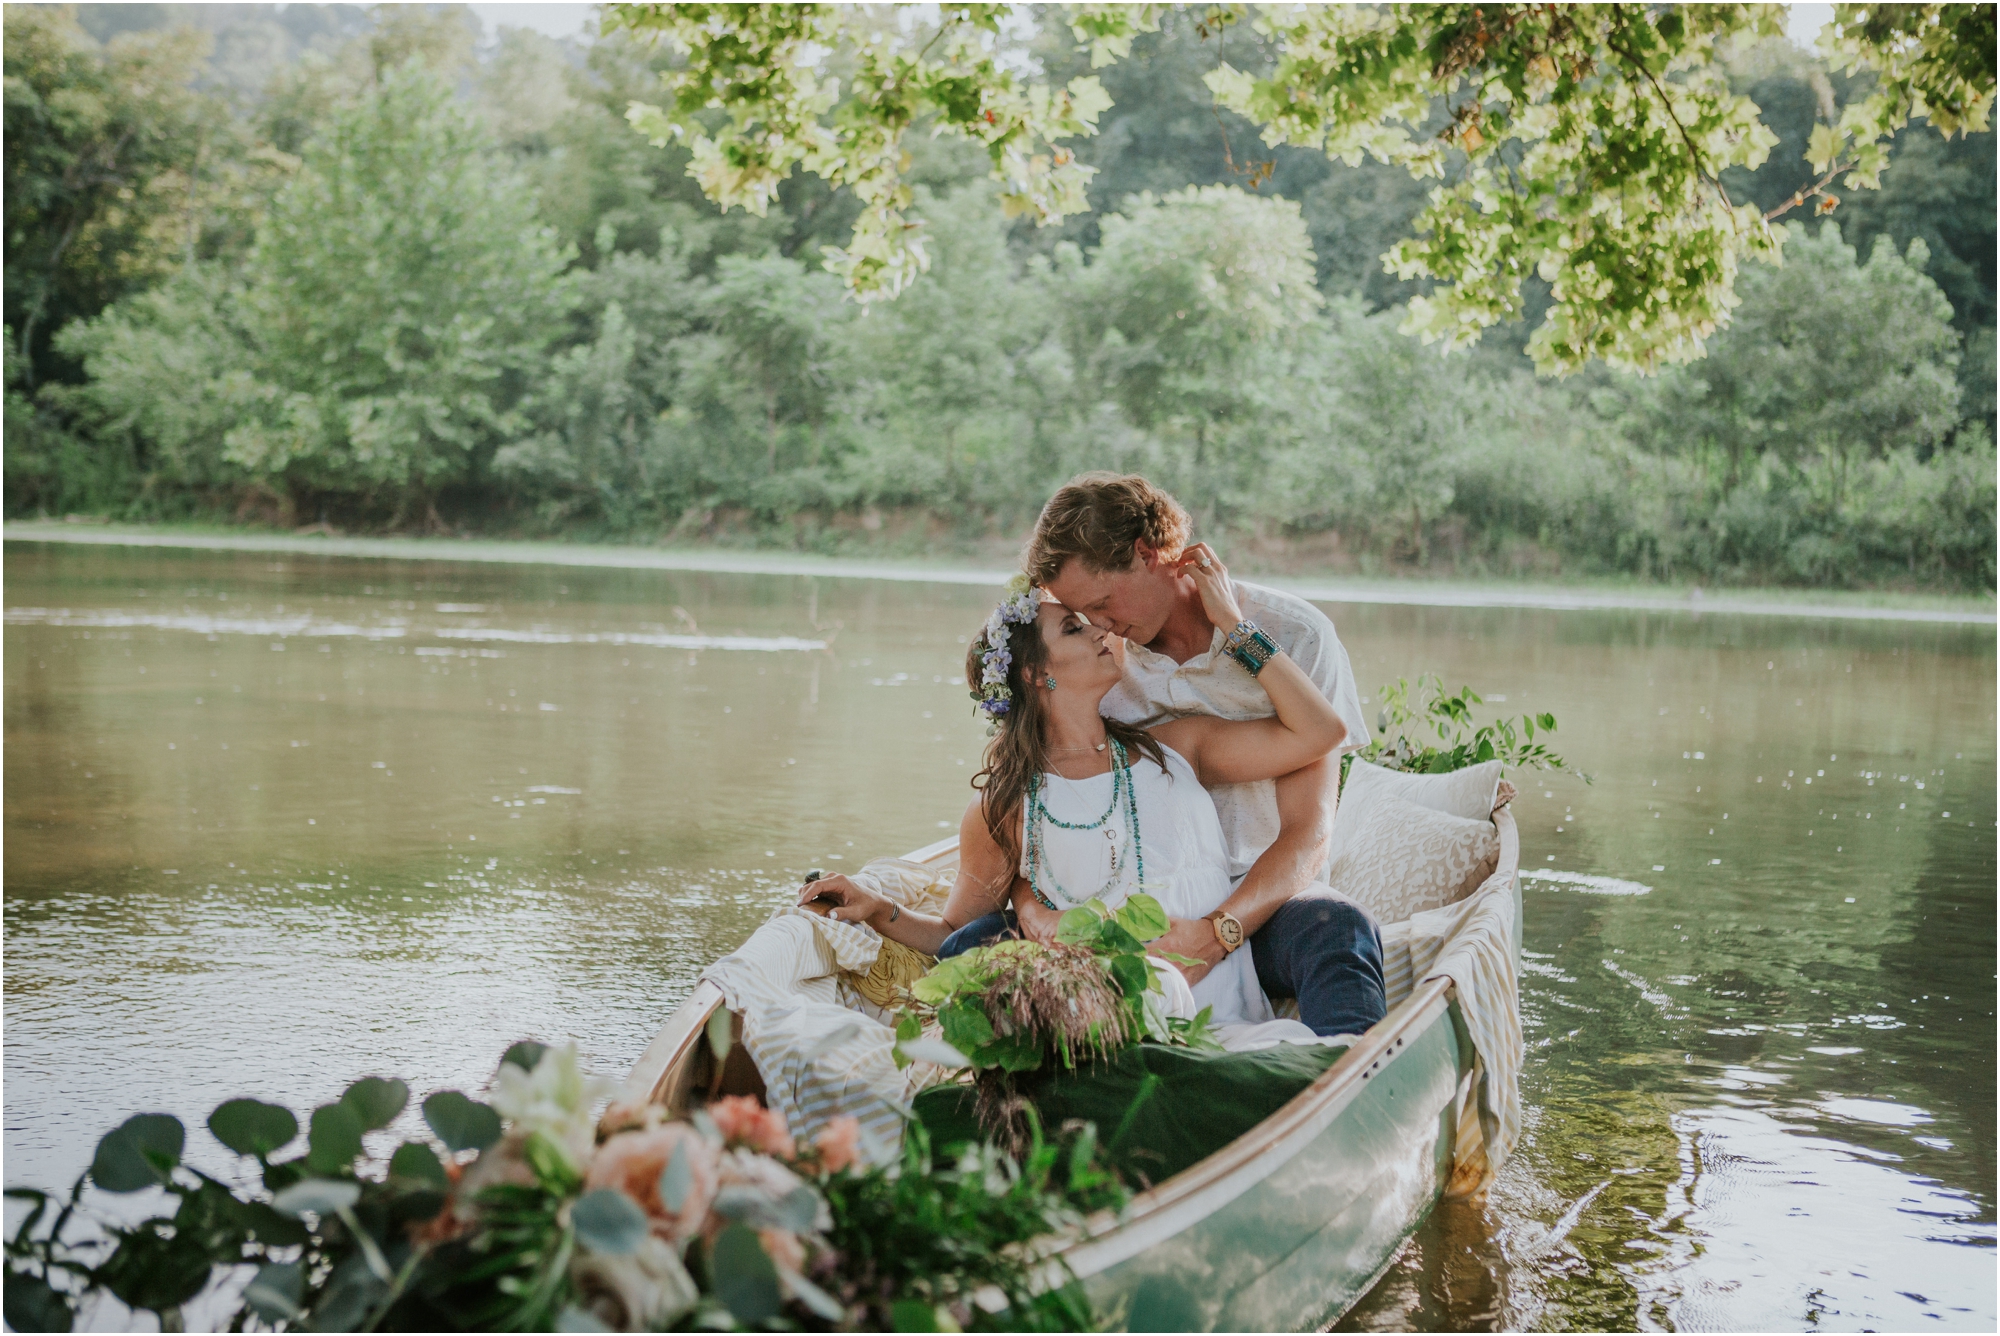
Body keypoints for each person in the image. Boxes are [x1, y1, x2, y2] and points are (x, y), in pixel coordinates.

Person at [799, 548, 1346, 1032]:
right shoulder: (1006, 804)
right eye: (1074, 629)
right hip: (1118, 1001)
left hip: (1224, 974)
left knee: (1333, 926)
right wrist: (878, 910)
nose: (1102, 631)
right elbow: (955, 929)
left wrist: (1233, 625)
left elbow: (1320, 732)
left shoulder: (1175, 746)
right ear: (1039, 676)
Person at [1023, 473, 1384, 1038]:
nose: (1100, 626)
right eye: (1081, 615)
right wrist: (1033, 910)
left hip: (1267, 906)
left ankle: (1349, 1093)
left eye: (1100, 603)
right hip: (1139, 910)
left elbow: (1308, 832)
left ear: (1147, 554)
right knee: (980, 940)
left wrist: (1217, 934)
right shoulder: (1099, 664)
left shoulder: (1298, 634)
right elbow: (1024, 806)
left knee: (1338, 927)